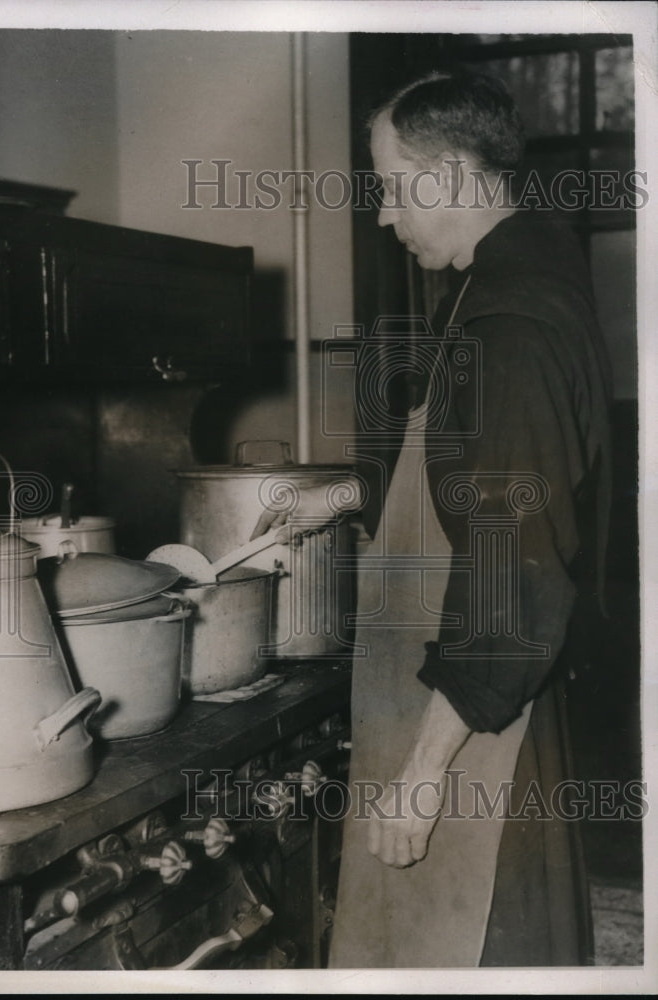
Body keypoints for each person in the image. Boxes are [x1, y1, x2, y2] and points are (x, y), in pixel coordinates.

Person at [255, 69, 613, 967]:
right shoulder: (516, 267)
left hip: (475, 740)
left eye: (388, 188)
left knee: (469, 951)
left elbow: (510, 578)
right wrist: (341, 497)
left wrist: (419, 782)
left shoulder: (508, 327)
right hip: (468, 710)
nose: (382, 217)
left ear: (451, 173)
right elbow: (474, 471)